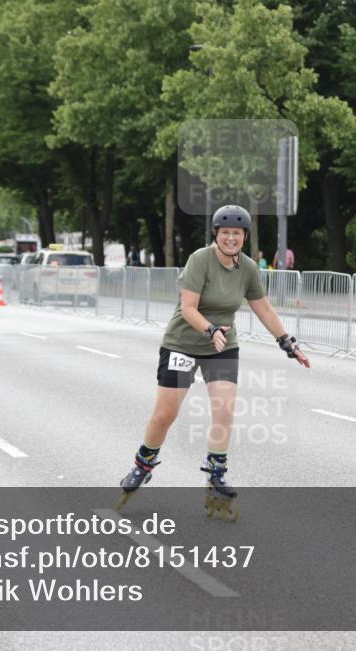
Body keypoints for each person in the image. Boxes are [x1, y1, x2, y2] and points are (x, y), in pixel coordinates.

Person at [116, 205, 310, 519]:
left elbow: (263, 308)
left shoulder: (247, 268)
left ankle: (216, 474)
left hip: (223, 346)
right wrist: (209, 329)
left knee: (224, 409)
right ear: (216, 235)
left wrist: (287, 342)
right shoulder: (200, 260)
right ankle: (143, 465)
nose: (231, 238)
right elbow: (188, 307)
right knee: (166, 414)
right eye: (225, 233)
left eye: (236, 233)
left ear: (244, 237)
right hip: (184, 342)